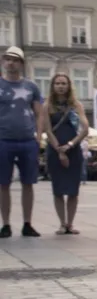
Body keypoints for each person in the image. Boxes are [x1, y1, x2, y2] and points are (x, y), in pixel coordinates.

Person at [0, 46, 45, 238]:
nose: (11, 63)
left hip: (27, 139)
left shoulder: (31, 87)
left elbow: (39, 113)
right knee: (3, 184)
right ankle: (6, 224)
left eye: (15, 60)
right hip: (3, 139)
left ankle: (27, 223)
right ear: (3, 62)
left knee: (28, 183)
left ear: (21, 63)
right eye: (8, 59)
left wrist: (39, 135)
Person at [43, 74, 89, 235]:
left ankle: (70, 223)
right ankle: (62, 223)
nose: (61, 86)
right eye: (57, 83)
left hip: (74, 150)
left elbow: (85, 129)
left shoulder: (76, 105)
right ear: (53, 86)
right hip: (55, 150)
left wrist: (70, 145)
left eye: (64, 83)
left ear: (69, 86)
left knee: (73, 189)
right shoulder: (47, 106)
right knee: (58, 189)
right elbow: (47, 130)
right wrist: (59, 149)